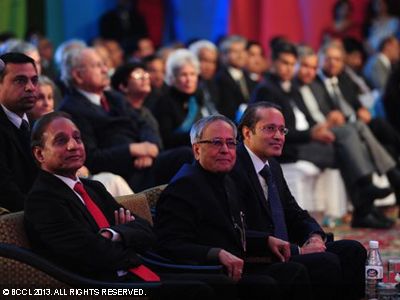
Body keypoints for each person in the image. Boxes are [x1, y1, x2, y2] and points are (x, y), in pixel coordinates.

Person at [24, 112, 231, 299]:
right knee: (200, 291)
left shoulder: (92, 187)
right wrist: (126, 237)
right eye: (61, 141)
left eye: (77, 138)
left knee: (222, 282)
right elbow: (92, 253)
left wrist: (113, 234)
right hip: (102, 285)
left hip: (133, 273)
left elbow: (147, 232)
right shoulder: (43, 200)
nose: (73, 145)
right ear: (40, 154)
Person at [155, 115, 312, 300]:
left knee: (295, 272)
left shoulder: (227, 179)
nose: (225, 150)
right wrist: (215, 254)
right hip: (207, 271)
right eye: (216, 143)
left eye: (230, 143)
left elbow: (231, 231)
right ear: (197, 150)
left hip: (236, 264)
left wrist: (264, 240)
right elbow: (170, 245)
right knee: (266, 285)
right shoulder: (183, 188)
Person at [232, 102, 366, 300]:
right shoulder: (234, 166)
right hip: (261, 255)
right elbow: (236, 228)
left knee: (352, 250)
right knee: (325, 262)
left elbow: (294, 211)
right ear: (247, 132)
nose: (278, 136)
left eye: (282, 130)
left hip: (288, 247)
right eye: (269, 129)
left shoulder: (272, 166)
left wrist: (314, 235)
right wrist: (298, 250)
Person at [251, 42, 394, 228]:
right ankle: (364, 206)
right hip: (288, 147)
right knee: (345, 151)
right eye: (284, 63)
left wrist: (319, 129)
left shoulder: (290, 88)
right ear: (273, 62)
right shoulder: (267, 89)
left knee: (346, 147)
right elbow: (271, 132)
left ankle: (364, 206)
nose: (288, 68)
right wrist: (311, 134)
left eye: (291, 63)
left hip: (304, 142)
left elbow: (309, 119)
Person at [58, 47, 192, 192]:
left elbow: (143, 122)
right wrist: (133, 150)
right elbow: (91, 158)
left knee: (186, 155)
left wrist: (150, 147)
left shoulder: (113, 97)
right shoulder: (71, 109)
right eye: (97, 65)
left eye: (104, 64)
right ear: (78, 75)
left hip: (146, 163)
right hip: (121, 173)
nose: (105, 69)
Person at [296, 46, 396, 227]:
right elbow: (307, 122)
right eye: (305, 66)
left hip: (330, 132)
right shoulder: (300, 86)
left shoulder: (331, 82)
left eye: (312, 67)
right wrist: (327, 123)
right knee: (352, 134)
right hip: (309, 140)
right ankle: (376, 192)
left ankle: (365, 208)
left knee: (358, 135)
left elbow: (327, 112)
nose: (310, 72)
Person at [0, 53, 38, 212]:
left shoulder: (39, 123)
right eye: (20, 80)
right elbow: (5, 190)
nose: (31, 87)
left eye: (34, 80)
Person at [153, 49, 207, 149]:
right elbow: (166, 139)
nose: (189, 79)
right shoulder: (164, 102)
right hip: (178, 152)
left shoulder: (199, 95)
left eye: (192, 74)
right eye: (184, 75)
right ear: (172, 78)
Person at [215, 35, 257, 120]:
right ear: (224, 55)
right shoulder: (220, 79)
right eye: (235, 51)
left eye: (243, 50)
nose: (240, 55)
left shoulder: (248, 77)